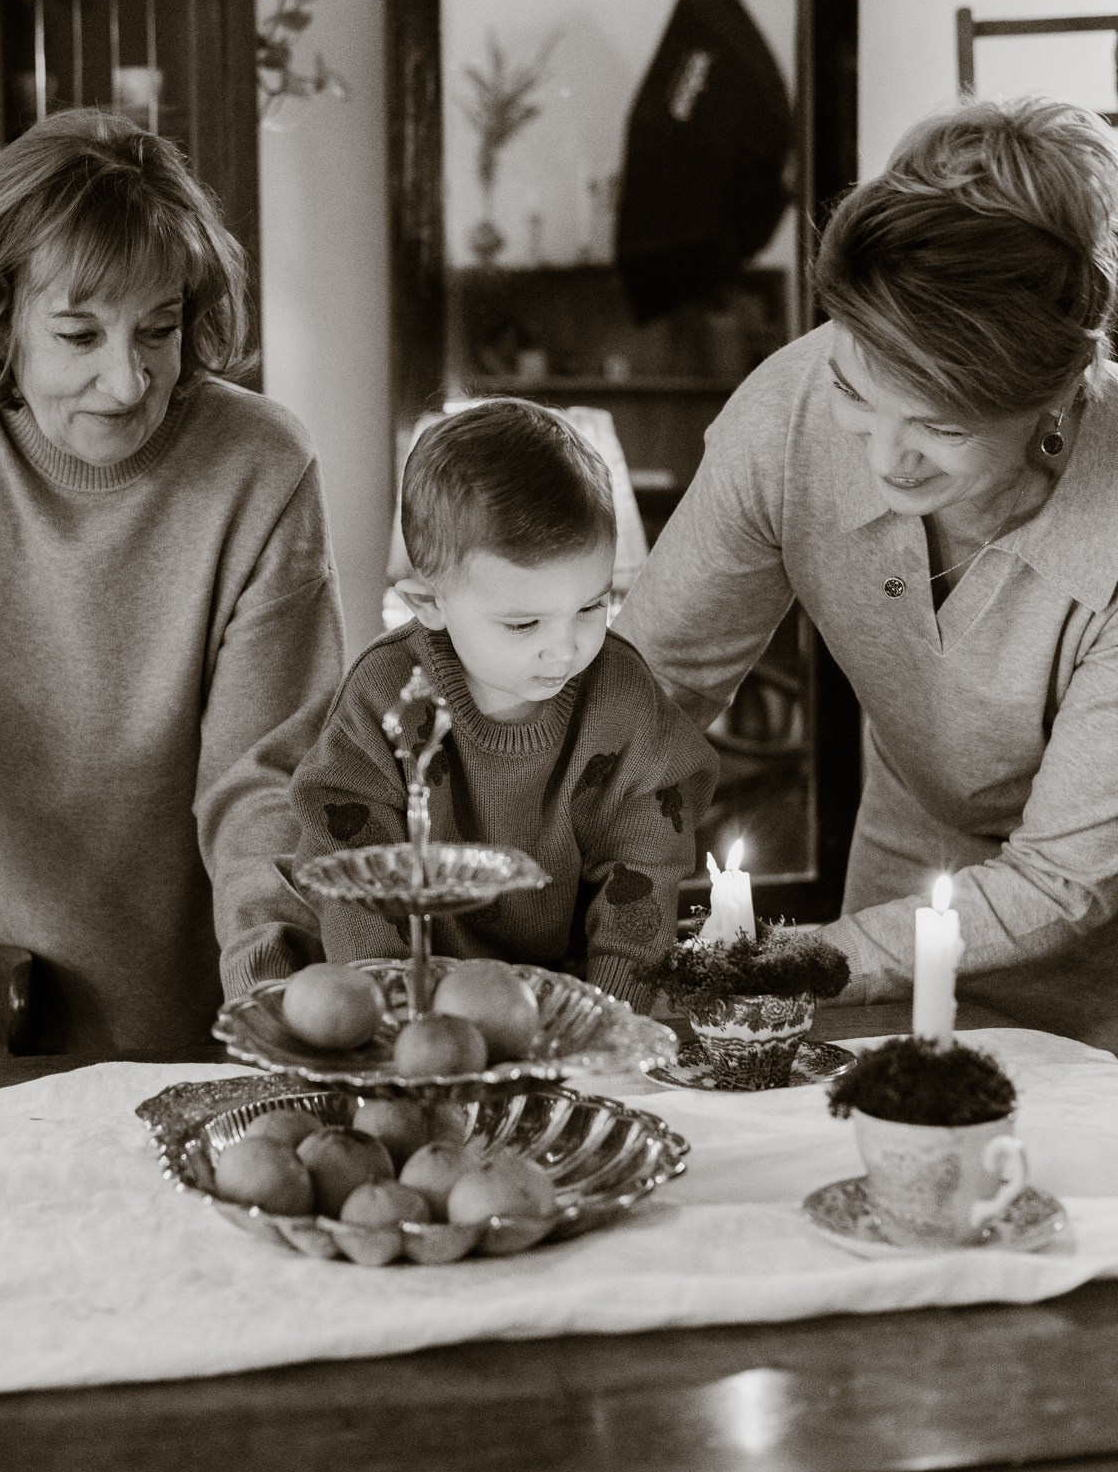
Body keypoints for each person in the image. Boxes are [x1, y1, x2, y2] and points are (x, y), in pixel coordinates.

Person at [0, 109, 344, 1064]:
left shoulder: (261, 465)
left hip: (212, 1028)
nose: (127, 381)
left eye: (159, 330)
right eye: (80, 334)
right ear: (0, 321)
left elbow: (265, 780)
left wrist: (274, 985)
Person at [615, 94, 1118, 1047]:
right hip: (899, 877)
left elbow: (1062, 880)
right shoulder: (794, 410)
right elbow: (653, 693)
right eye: (857, 388)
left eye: (941, 424)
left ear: (1055, 394)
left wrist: (790, 958)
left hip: (1099, 953)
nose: (887, 459)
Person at [290, 399, 717, 1007]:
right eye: (523, 625)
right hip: (415, 1010)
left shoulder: (620, 694)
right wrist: (394, 1019)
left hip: (570, 1005)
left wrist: (609, 1012)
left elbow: (645, 860)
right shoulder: (386, 695)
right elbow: (353, 873)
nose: (564, 650)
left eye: (591, 607)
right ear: (428, 604)